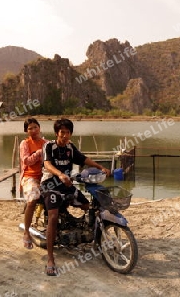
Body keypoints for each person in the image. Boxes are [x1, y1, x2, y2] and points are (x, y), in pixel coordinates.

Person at [40, 118, 111, 276]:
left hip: (66, 186)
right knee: (53, 216)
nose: (65, 135)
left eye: (68, 132)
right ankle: (50, 259)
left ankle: (84, 232)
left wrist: (100, 167)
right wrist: (59, 174)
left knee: (88, 206)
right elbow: (47, 164)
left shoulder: (70, 148)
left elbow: (83, 159)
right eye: (62, 132)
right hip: (49, 185)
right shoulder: (49, 146)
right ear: (57, 133)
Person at [19, 118, 48, 250]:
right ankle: (26, 232)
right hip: (30, 177)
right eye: (30, 128)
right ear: (26, 131)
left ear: (39, 128)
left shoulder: (46, 143)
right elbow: (27, 161)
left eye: (35, 127)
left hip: (45, 176)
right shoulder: (25, 144)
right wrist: (38, 153)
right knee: (33, 199)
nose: (33, 130)